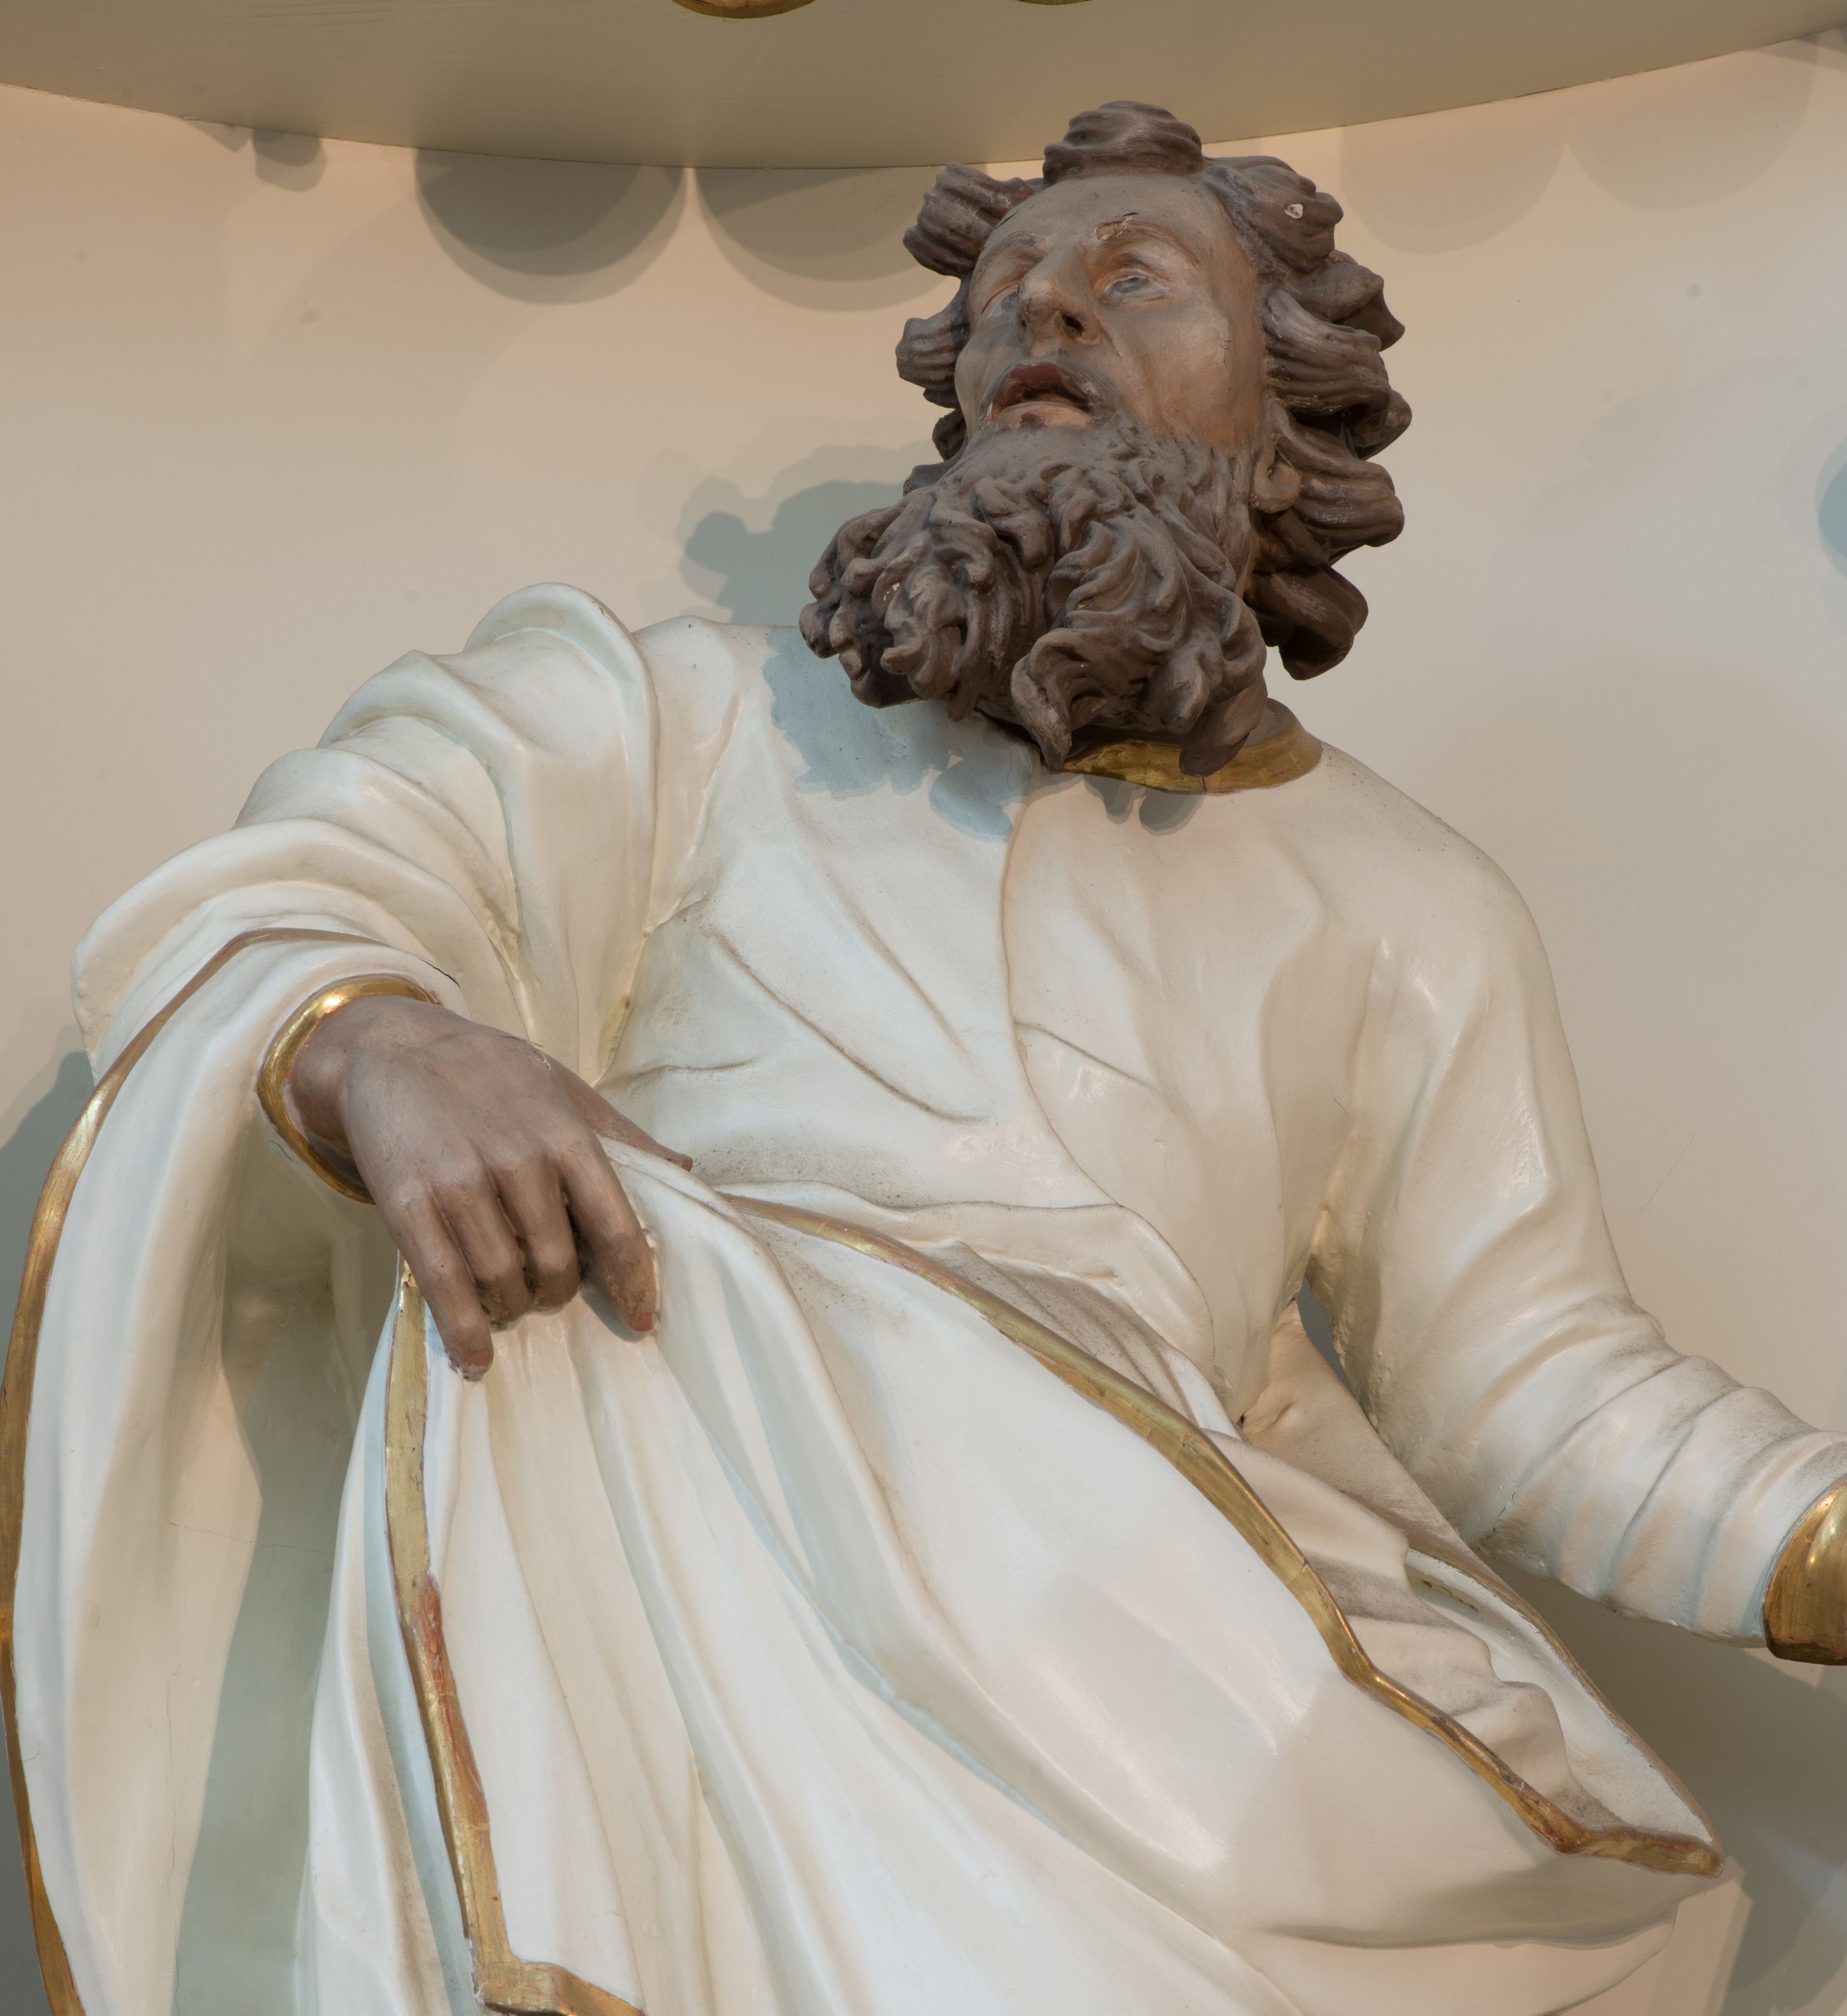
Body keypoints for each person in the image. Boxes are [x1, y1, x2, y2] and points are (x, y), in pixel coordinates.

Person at [9, 100, 1846, 2016]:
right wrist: (378, 1037)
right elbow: (306, 879)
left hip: (1148, 1656)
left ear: (1282, 421)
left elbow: (1536, 1383)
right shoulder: (697, 717)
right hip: (701, 1520)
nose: (1048, 313)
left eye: (1136, 280)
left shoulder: (1401, 900)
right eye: (1009, 294)